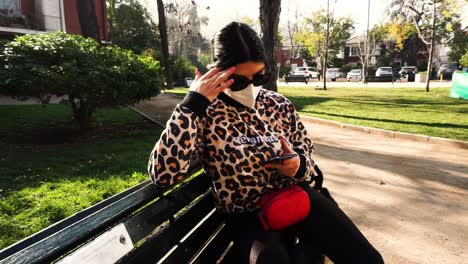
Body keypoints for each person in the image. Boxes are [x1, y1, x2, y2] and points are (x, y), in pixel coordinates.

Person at [148, 22, 384, 264]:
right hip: (248, 214)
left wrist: (298, 164)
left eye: (259, 76)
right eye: (239, 80)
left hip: (296, 199)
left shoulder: (278, 104)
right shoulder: (204, 112)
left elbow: (306, 155)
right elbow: (163, 175)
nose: (250, 85)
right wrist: (192, 105)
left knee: (367, 258)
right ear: (218, 71)